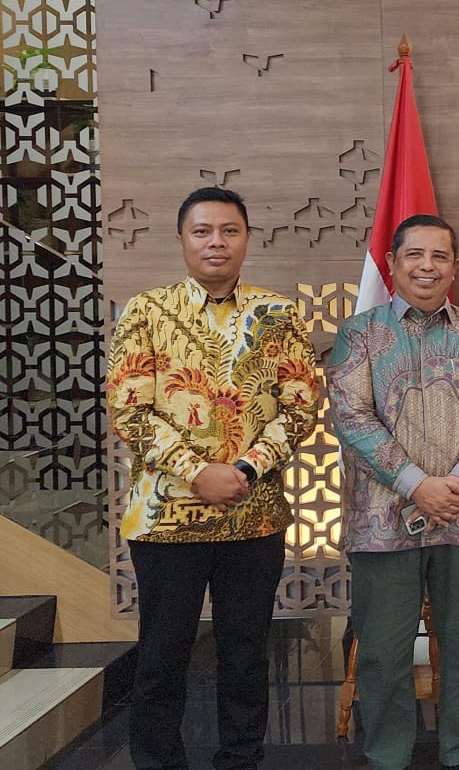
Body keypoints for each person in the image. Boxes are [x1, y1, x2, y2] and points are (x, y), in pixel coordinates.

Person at [106, 187, 319, 770]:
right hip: (165, 520)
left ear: (247, 238)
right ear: (182, 239)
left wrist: (244, 468)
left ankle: (240, 760)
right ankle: (157, 762)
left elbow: (300, 408)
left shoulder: (277, 315)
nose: (216, 242)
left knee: (246, 655)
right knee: (161, 657)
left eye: (229, 230)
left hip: (254, 517)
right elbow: (130, 410)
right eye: (202, 231)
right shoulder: (147, 312)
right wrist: (198, 472)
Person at [326, 213, 459, 770]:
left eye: (439, 256)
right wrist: (416, 484)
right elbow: (351, 417)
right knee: (383, 652)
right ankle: (388, 756)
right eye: (415, 254)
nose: (427, 266)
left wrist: (458, 483)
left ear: (455, 265)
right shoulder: (360, 333)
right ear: (392, 263)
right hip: (382, 521)